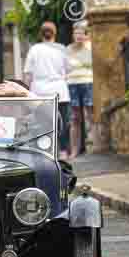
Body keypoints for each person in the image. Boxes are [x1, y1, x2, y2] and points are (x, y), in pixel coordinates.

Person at [24, 21, 71, 160]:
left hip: (39, 92)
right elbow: (68, 70)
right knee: (62, 122)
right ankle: (62, 151)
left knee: (42, 124)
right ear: (54, 33)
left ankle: (45, 151)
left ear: (41, 34)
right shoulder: (62, 49)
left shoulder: (34, 49)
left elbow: (28, 74)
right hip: (59, 91)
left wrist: (26, 93)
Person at [66, 20, 94, 158]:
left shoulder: (91, 47)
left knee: (90, 114)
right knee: (75, 118)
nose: (78, 36)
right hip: (72, 84)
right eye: (76, 33)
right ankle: (74, 150)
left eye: (81, 33)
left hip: (88, 82)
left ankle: (93, 146)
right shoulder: (68, 49)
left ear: (85, 35)